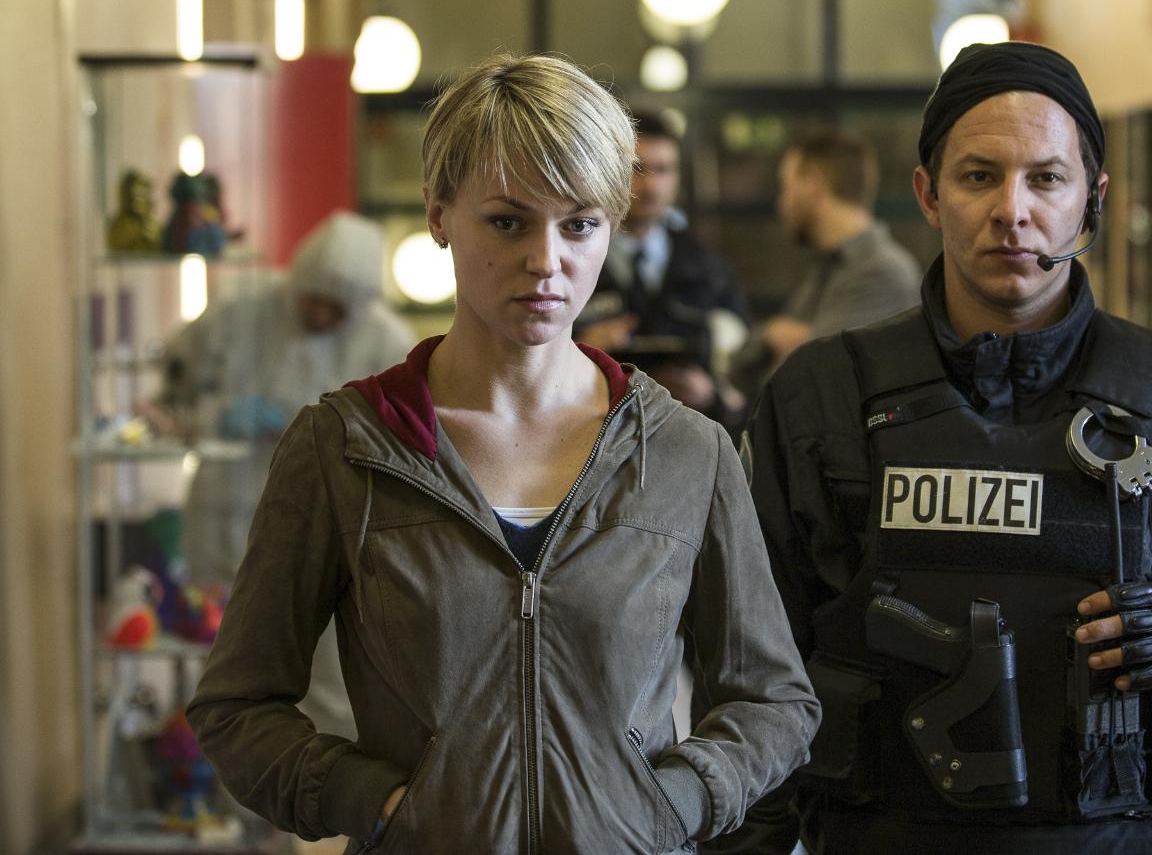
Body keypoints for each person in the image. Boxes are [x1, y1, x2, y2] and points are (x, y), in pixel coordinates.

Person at [187, 53, 820, 852]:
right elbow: (237, 705)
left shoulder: (686, 452)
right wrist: (374, 803)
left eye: (580, 224)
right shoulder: (348, 447)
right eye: (508, 222)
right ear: (439, 215)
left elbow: (774, 701)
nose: (547, 261)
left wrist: (674, 804)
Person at [721, 41, 1152, 854]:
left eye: (1046, 178)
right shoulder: (823, 396)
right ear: (929, 195)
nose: (1011, 210)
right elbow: (747, 658)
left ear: (1092, 199)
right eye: (979, 176)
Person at [159, 208, 415, 737]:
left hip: (330, 525)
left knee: (329, 673)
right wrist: (216, 417)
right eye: (311, 300)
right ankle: (210, 780)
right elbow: (170, 395)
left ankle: (323, 784)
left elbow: (404, 446)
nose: (319, 315)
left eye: (334, 309)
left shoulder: (388, 344)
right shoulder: (239, 310)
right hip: (227, 514)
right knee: (221, 665)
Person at [578, 110, 749, 419]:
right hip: (590, 424)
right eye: (638, 169)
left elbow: (743, 379)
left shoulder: (708, 270)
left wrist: (711, 395)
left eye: (664, 169)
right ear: (610, 172)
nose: (651, 185)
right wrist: (580, 348)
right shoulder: (572, 258)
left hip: (686, 428)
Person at [734, 128, 921, 389]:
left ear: (813, 182)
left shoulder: (882, 272)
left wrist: (786, 340)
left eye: (786, 187)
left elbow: (804, 383)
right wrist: (772, 334)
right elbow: (745, 368)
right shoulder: (830, 267)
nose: (781, 204)